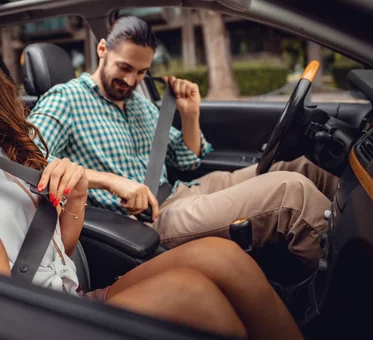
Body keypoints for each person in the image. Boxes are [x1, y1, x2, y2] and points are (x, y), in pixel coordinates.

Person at [0, 27, 302, 339]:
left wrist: (76, 196)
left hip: (67, 297)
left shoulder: (8, 151)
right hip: (19, 318)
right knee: (191, 293)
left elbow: (59, 252)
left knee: (222, 256)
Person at [28, 16, 338, 268]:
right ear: (102, 49)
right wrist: (110, 182)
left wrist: (191, 115)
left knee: (306, 166)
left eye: (142, 72)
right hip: (151, 220)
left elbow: (187, 160)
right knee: (290, 193)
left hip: (184, 191)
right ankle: (345, 289)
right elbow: (26, 158)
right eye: (124, 68)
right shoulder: (65, 99)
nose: (132, 81)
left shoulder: (136, 101)